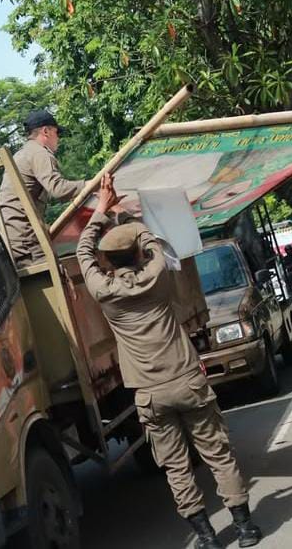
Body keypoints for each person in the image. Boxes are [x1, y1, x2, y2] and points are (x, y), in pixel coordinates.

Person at [76, 175, 262, 549]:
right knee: (217, 453)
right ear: (138, 253)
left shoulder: (105, 292)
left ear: (108, 263)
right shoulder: (156, 277)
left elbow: (83, 252)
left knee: (176, 467)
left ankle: (207, 538)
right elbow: (154, 242)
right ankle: (244, 528)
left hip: (149, 394)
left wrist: (99, 212)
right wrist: (124, 217)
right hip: (188, 380)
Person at [0, 110, 86, 267]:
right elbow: (58, 189)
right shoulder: (39, 153)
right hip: (27, 241)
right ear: (46, 131)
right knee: (61, 275)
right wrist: (92, 184)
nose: (58, 138)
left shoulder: (22, 154)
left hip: (14, 238)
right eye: (56, 133)